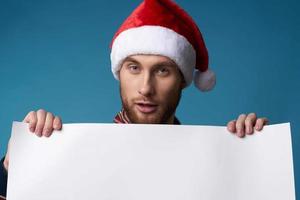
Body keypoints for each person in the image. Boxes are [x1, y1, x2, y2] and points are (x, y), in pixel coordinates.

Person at [0, 0, 269, 199]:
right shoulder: (68, 158)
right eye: (134, 67)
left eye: (162, 70)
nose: (146, 88)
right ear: (120, 74)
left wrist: (256, 162)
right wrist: (12, 170)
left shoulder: (220, 164)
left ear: (182, 80)